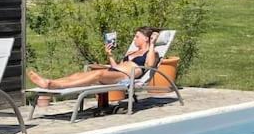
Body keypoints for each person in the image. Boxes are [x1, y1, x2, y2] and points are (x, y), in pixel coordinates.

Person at [28, 27, 160, 90]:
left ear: (146, 38)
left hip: (126, 76)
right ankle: (49, 82)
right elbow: (117, 65)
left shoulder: (152, 53)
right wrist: (109, 55)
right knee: (79, 74)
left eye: (137, 36)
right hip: (115, 72)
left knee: (98, 74)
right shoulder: (132, 51)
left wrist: (153, 43)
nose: (134, 39)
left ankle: (56, 86)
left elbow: (148, 65)